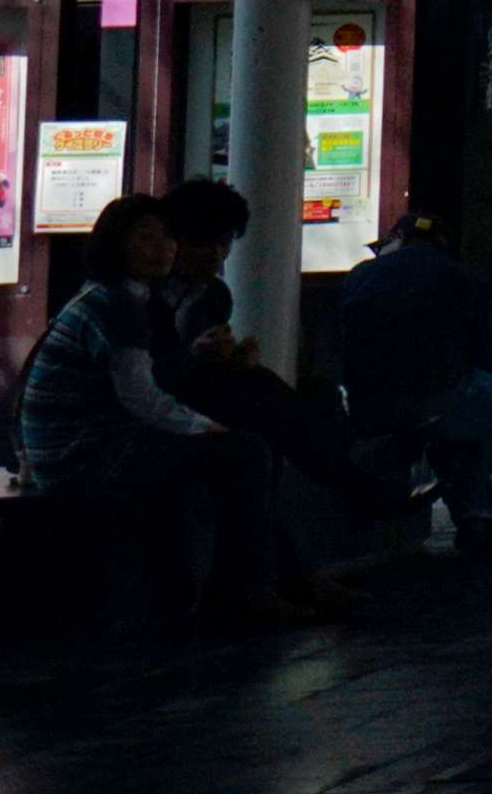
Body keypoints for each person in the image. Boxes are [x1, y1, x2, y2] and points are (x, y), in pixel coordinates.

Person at [22, 202, 312, 627]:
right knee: (244, 452)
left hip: (76, 448)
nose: (161, 249)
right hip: (82, 456)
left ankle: (264, 583)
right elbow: (140, 396)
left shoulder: (116, 297)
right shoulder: (118, 306)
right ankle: (248, 592)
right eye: (145, 237)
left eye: (166, 238)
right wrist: (204, 428)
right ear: (115, 244)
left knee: (241, 447)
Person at [154, 179, 410, 530]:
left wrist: (225, 356)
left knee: (270, 404)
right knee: (258, 406)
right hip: (148, 407)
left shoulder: (211, 294)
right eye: (203, 243)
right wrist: (199, 356)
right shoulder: (141, 294)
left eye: (224, 243)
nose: (215, 255)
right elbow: (143, 371)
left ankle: (349, 482)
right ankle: (354, 480)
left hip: (182, 396)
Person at [333, 208, 492, 553]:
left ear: (398, 241)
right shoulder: (462, 277)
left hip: (371, 409)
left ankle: (476, 521)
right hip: (439, 398)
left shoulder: (358, 277)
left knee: (454, 414)